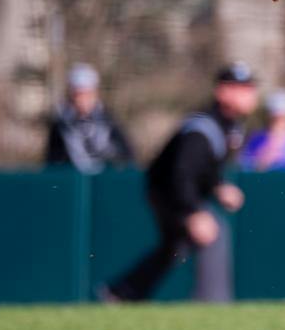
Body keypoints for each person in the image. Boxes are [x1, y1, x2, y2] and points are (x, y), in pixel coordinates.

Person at [101, 62, 257, 303]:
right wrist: (192, 211)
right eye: (241, 88)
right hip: (169, 192)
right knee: (213, 232)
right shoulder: (202, 128)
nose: (250, 93)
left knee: (176, 248)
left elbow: (203, 169)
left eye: (250, 88)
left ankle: (121, 293)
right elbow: (181, 173)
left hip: (175, 191)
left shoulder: (230, 126)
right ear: (223, 92)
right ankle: (212, 303)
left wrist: (217, 186)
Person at [43, 64, 134, 174]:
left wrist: (110, 155)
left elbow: (127, 155)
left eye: (87, 94)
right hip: (73, 185)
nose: (83, 100)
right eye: (79, 95)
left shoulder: (108, 121)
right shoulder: (61, 126)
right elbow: (52, 163)